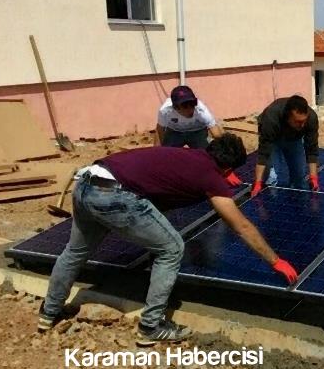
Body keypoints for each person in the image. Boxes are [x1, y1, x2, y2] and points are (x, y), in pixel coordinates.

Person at [38, 134, 298, 346]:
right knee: (172, 248)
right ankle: (151, 326)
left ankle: (49, 312)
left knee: (74, 252)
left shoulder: (189, 156)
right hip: (116, 195)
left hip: (85, 183)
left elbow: (160, 187)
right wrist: (275, 261)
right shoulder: (209, 176)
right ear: (229, 167)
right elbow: (240, 225)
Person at [252, 95, 320, 195]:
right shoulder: (271, 118)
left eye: (304, 121)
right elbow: (263, 154)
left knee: (299, 175)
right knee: (272, 177)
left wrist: (313, 177)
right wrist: (258, 182)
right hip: (273, 141)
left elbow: (312, 149)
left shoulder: (311, 118)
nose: (302, 125)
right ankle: (272, 203)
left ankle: (298, 204)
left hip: (294, 140)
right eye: (298, 122)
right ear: (288, 117)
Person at [155, 85, 223, 149]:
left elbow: (216, 133)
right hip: (175, 132)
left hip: (197, 132)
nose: (190, 108)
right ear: (175, 107)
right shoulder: (165, 111)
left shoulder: (201, 110)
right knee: (167, 153)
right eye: (185, 106)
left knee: (206, 154)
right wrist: (157, 151)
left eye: (192, 103)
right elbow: (160, 129)